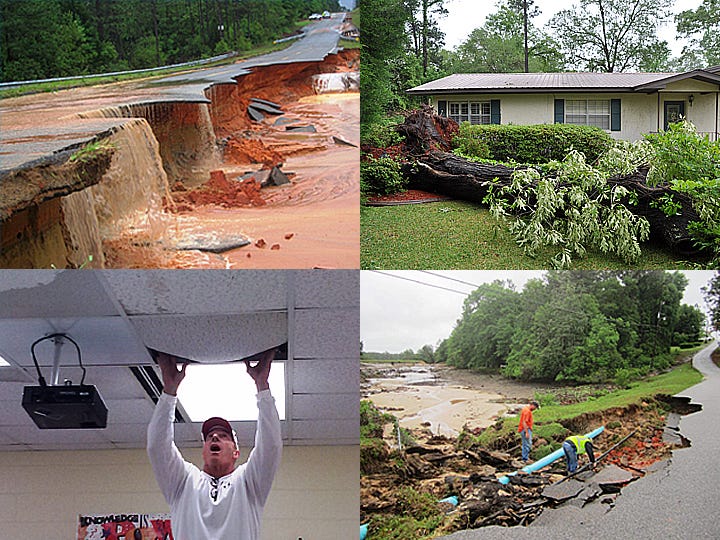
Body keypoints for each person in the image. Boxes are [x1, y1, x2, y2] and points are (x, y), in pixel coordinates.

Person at [147, 348, 282, 540]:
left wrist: (262, 387)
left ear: (236, 452)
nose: (215, 438)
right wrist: (169, 393)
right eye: (210, 436)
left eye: (224, 436)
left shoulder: (249, 482)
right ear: (204, 451)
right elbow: (156, 447)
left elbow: (271, 446)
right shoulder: (183, 481)